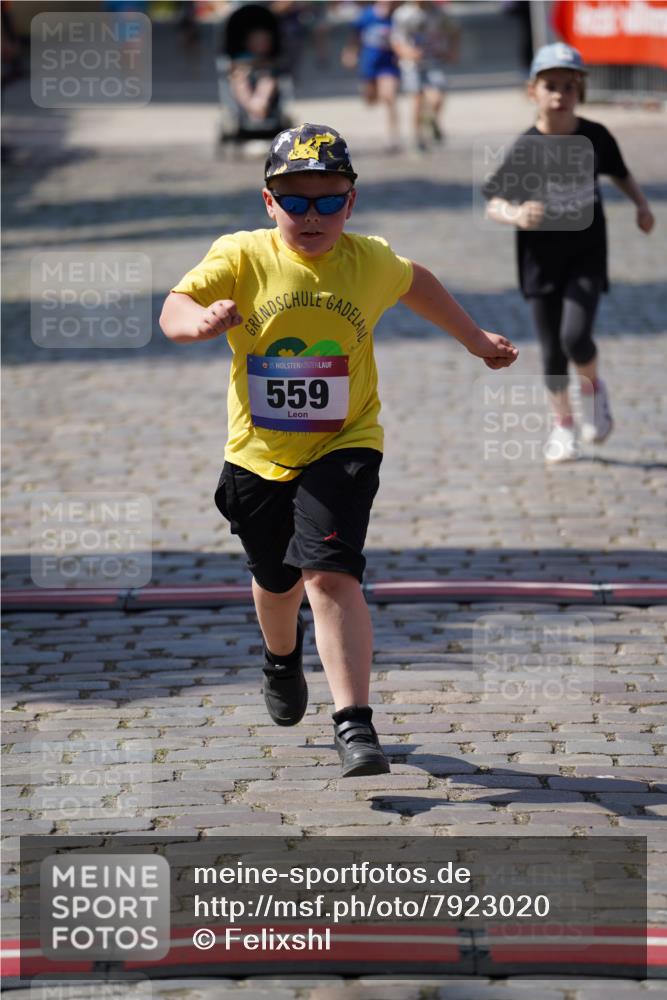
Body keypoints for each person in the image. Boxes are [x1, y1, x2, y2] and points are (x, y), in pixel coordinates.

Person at [160, 123, 518, 777]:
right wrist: (198, 323)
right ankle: (280, 659)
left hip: (346, 441)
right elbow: (175, 305)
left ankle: (355, 723)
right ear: (268, 202)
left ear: (351, 202)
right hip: (258, 453)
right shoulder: (241, 255)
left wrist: (474, 339)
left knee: (329, 575)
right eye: (294, 200)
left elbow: (416, 282)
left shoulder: (368, 261)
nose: (312, 215)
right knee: (277, 581)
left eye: (328, 200)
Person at [484, 43, 655, 463]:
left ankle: (594, 394)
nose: (560, 94)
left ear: (581, 91)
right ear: (533, 91)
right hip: (539, 263)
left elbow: (620, 172)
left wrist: (641, 205)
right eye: (551, 86)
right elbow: (494, 202)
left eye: (569, 86)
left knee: (575, 336)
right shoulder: (526, 147)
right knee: (553, 351)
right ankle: (563, 426)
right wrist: (517, 213)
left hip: (586, 255)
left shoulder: (595, 136)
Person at [391, 0, 460, 152]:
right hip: (411, 64)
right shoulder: (403, 14)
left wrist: (453, 51)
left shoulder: (438, 12)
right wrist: (406, 52)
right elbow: (396, 40)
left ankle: (431, 119)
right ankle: (417, 138)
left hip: (434, 60)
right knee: (416, 100)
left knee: (437, 98)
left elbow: (454, 31)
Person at [342, 2, 401, 151]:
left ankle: (392, 136)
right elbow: (355, 36)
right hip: (370, 62)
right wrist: (350, 52)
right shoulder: (367, 16)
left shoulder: (397, 16)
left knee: (389, 97)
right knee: (370, 99)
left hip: (389, 64)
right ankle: (373, 93)